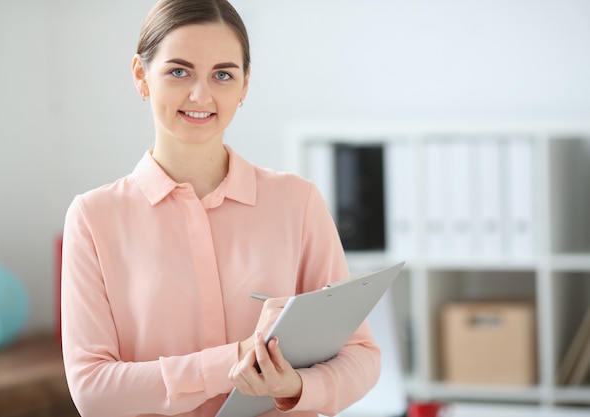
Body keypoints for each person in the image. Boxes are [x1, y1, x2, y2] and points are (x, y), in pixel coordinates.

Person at [60, 0, 381, 416]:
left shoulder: (297, 202)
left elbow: (361, 356)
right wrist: (236, 359)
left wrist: (296, 384)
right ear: (141, 76)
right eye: (179, 71)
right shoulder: (93, 218)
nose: (201, 94)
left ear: (244, 85)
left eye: (223, 75)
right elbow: (92, 390)